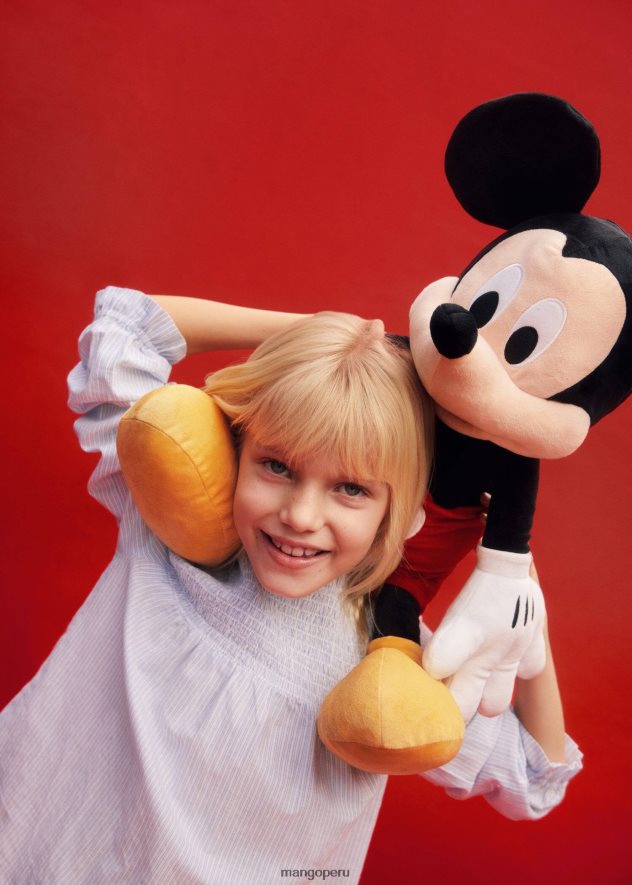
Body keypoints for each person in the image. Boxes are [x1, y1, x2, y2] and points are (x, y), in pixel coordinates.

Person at [0, 286, 581, 884]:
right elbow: (129, 327)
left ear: (401, 513)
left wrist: (512, 578)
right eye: (276, 466)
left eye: (351, 489)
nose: (301, 516)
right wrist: (329, 335)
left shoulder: (391, 673)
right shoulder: (164, 521)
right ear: (238, 449)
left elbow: (535, 778)